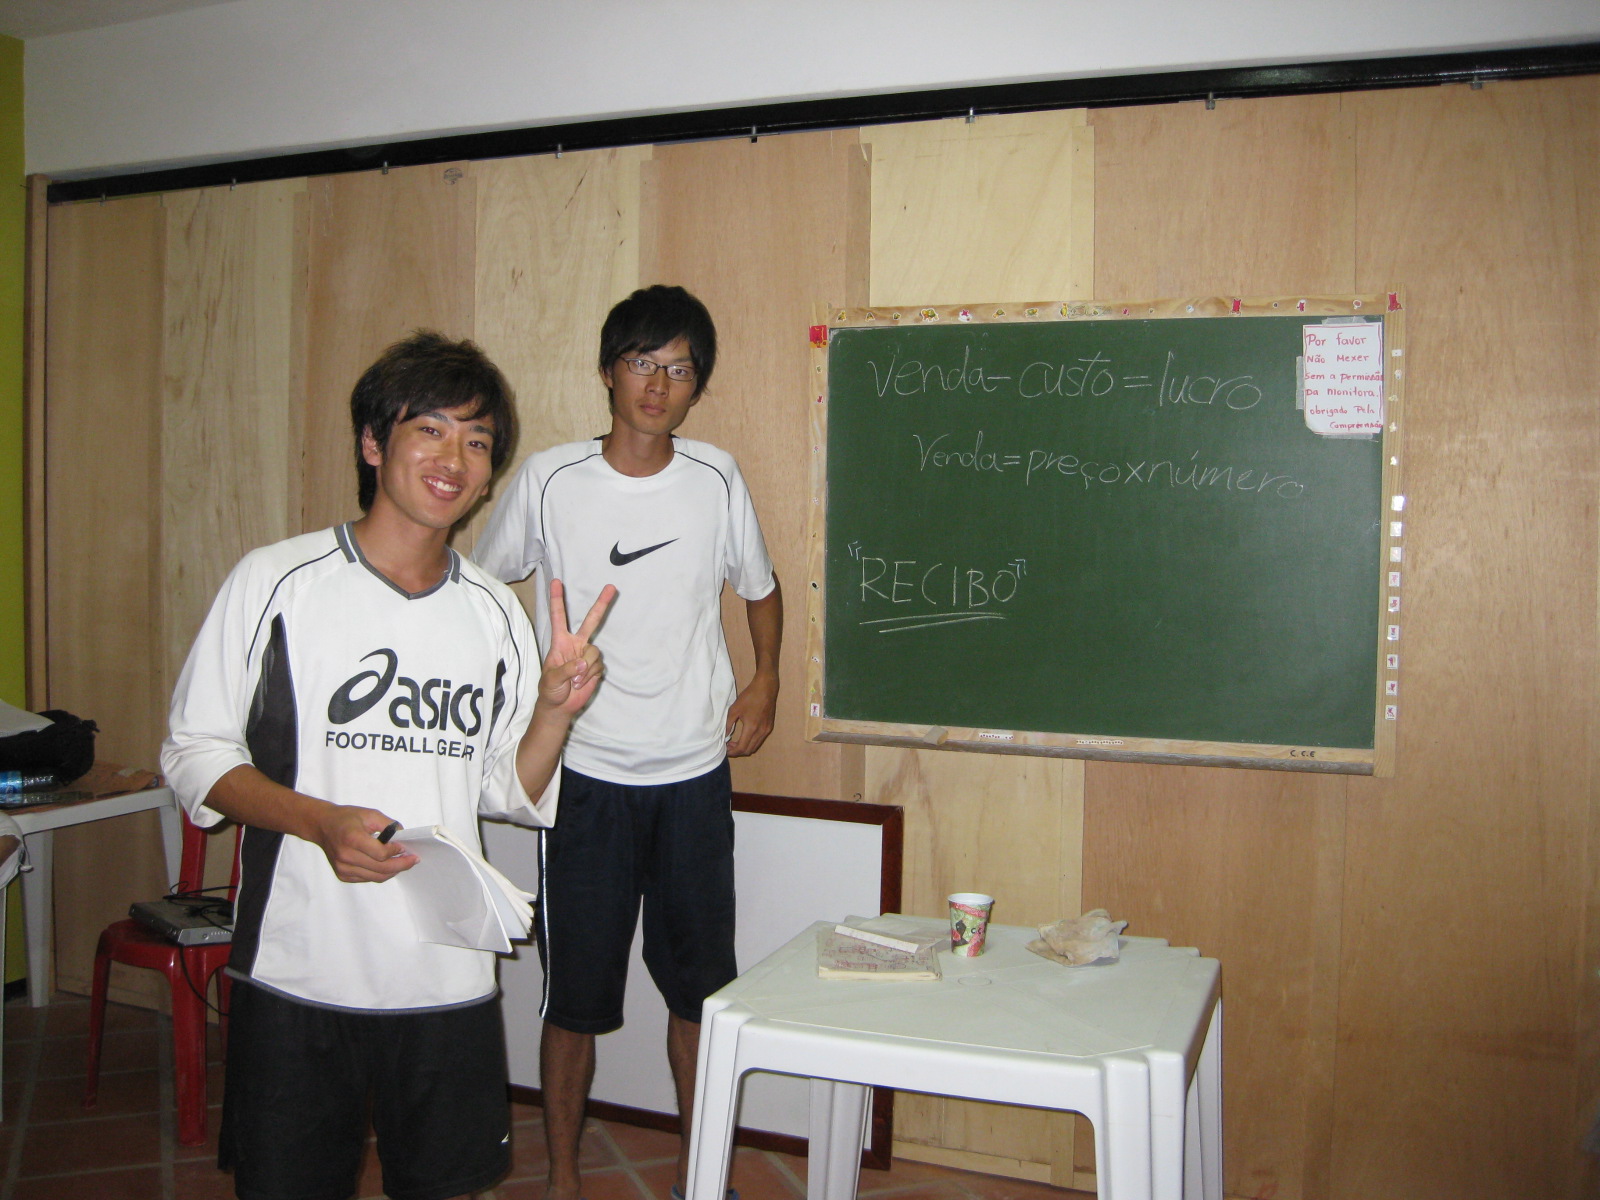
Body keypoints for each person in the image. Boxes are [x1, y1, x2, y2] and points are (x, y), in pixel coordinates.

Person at [160, 331, 614, 1200]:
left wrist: (555, 712)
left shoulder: (493, 611)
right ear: (374, 443)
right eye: (430, 430)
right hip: (300, 966)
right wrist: (317, 822)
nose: (455, 459)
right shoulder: (277, 582)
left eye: (477, 442)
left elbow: (504, 789)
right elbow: (193, 753)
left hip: (444, 974)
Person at [473, 284, 782, 1200]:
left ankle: (699, 1176)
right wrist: (518, 704)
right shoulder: (551, 479)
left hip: (693, 777)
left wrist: (765, 679)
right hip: (584, 780)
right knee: (573, 1002)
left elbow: (760, 588)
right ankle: (565, 1176)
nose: (658, 384)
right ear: (608, 370)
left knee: (701, 994)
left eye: (679, 369)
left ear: (698, 386)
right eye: (643, 362)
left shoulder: (716, 477)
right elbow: (483, 587)